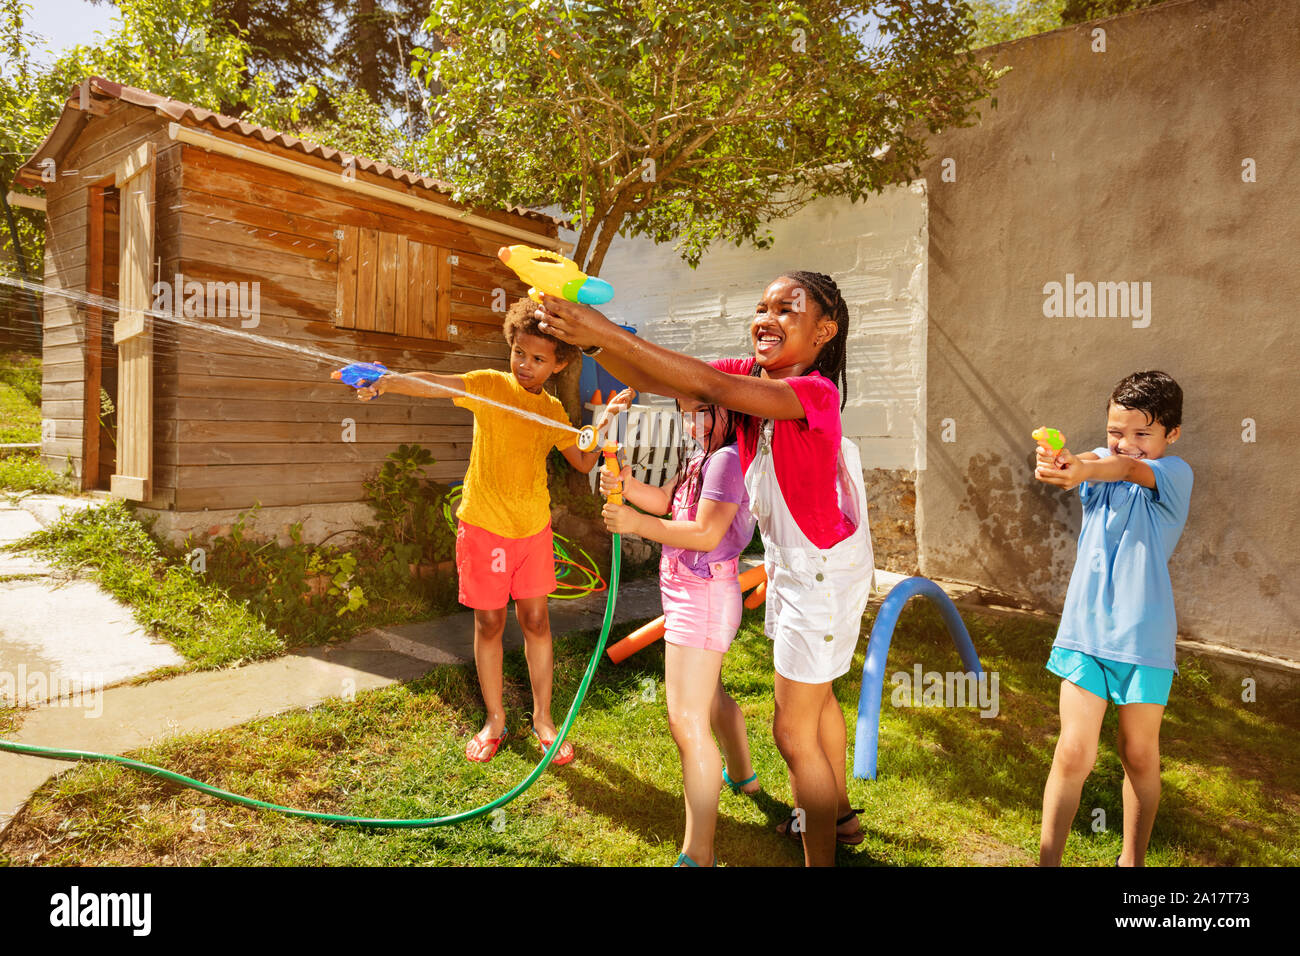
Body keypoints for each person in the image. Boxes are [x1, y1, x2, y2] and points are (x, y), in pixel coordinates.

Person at [536, 271, 874, 866]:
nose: (766, 317)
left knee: (792, 734)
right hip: (804, 568)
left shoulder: (814, 391)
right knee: (816, 704)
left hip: (821, 575)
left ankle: (821, 854)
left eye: (787, 309)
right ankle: (838, 817)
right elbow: (668, 376)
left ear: (825, 330)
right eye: (761, 306)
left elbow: (707, 382)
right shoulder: (756, 376)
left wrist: (602, 329)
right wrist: (594, 341)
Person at [332, 298, 626, 765]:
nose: (525, 366)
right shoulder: (490, 386)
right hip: (484, 526)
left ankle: (544, 720)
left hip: (532, 528)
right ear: (510, 347)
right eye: (519, 353)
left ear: (560, 363)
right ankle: (494, 719)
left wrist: (603, 424)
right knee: (489, 622)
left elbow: (585, 460)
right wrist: (386, 380)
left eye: (538, 359)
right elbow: (434, 383)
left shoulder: (552, 410)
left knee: (536, 621)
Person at [1033, 370, 1192, 867]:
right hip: (1085, 634)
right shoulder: (1100, 465)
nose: (1126, 444)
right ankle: (1048, 862)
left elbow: (1125, 469)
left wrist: (1086, 467)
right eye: (1116, 432)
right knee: (1073, 753)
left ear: (1172, 435)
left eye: (1143, 433)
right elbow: (1098, 464)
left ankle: (1132, 862)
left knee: (1138, 754)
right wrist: (1066, 463)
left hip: (1144, 642)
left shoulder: (1175, 475)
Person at [599, 390, 761, 867]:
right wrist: (628, 485)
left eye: (699, 415)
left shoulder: (728, 461)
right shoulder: (700, 455)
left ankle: (699, 855)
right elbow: (669, 503)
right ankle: (743, 774)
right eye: (686, 416)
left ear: (730, 412)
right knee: (707, 699)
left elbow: (707, 534)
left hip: (706, 596)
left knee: (686, 722)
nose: (690, 426)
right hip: (688, 591)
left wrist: (635, 524)